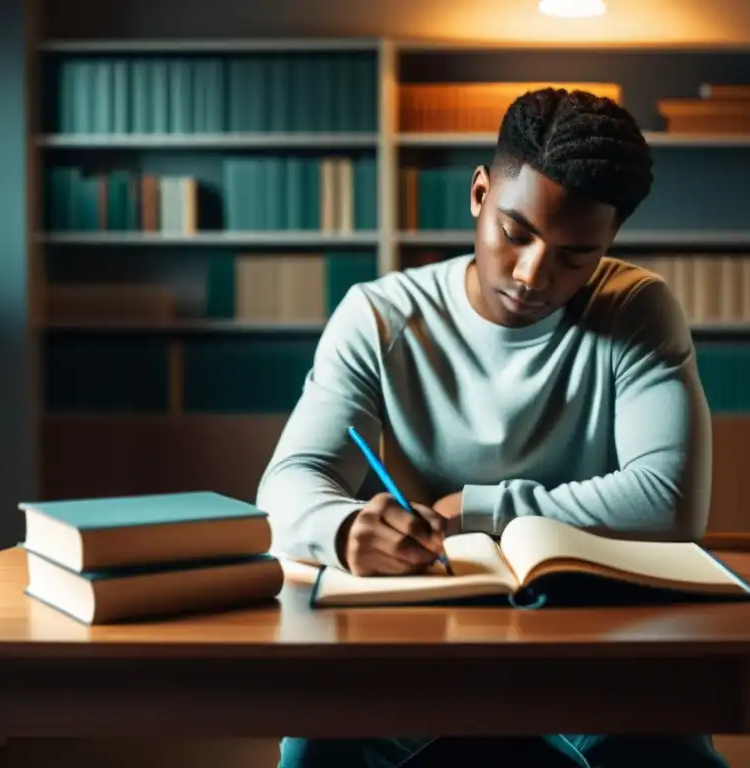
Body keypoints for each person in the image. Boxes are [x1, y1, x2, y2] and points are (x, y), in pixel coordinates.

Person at [257, 86, 721, 768]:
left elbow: (671, 500)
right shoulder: (381, 316)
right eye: (516, 232)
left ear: (610, 240)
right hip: (419, 633)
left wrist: (480, 509)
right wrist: (344, 528)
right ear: (479, 194)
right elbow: (289, 483)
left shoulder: (635, 308)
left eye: (576, 254)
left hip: (592, 638)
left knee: (673, 759)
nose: (534, 275)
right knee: (317, 755)